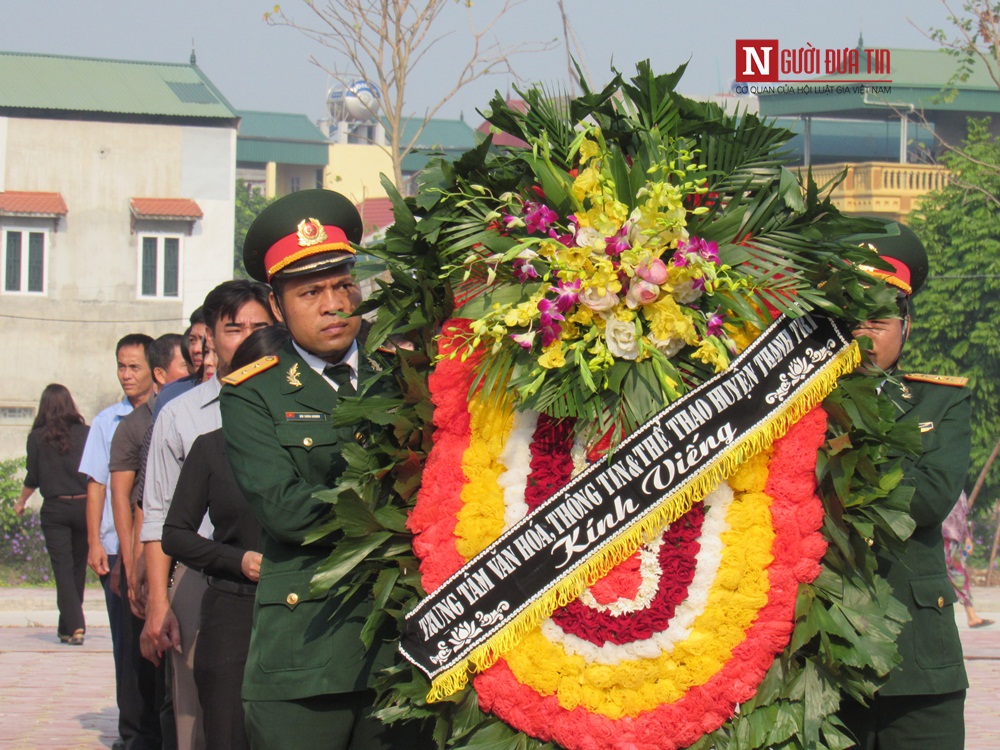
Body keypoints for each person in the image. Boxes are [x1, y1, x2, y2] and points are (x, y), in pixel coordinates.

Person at [220, 189, 429, 750]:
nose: (334, 304)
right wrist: (410, 502)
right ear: (276, 303)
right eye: (311, 292)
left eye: (343, 285)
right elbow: (287, 511)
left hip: (406, 647)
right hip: (307, 654)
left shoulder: (405, 371)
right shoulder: (253, 391)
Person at [841, 219, 970, 750]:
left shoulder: (939, 404)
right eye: (851, 318)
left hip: (918, 660)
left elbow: (930, 497)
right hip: (821, 661)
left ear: (906, 326)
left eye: (879, 319)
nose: (864, 332)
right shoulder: (793, 410)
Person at [140, 280, 274, 750]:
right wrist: (159, 603)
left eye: (260, 325)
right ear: (209, 340)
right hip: (202, 578)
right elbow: (159, 517)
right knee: (204, 720)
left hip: (285, 582)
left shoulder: (305, 408)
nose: (247, 337)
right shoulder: (181, 415)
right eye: (233, 328)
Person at [162, 325, 288, 750]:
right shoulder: (213, 448)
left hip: (305, 619)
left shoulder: (319, 448)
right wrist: (237, 560)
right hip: (234, 612)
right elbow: (175, 534)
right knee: (228, 734)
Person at [109, 332, 188, 750]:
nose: (195, 367)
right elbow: (134, 499)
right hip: (154, 555)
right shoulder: (140, 424)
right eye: (186, 361)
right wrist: (132, 558)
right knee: (147, 666)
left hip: (189, 557)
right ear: (163, 374)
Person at [79, 333, 155, 750]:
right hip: (116, 548)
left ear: (155, 370)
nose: (126, 375)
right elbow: (97, 486)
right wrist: (94, 541)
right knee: (127, 646)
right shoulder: (107, 422)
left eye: (134, 367)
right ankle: (133, 733)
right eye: (121, 367)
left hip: (154, 547)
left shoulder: (166, 413)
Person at [14, 384, 90, 645]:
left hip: (55, 509)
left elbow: (33, 476)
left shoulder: (37, 437)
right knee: (77, 568)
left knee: (63, 569)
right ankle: (66, 627)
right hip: (85, 506)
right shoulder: (86, 433)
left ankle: (76, 625)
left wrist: (21, 501)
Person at [943, 490, 994, 629]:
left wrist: (967, 538)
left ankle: (971, 615)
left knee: (960, 575)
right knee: (942, 575)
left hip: (955, 540)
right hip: (941, 538)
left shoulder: (959, 491)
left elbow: (962, 517)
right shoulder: (941, 484)